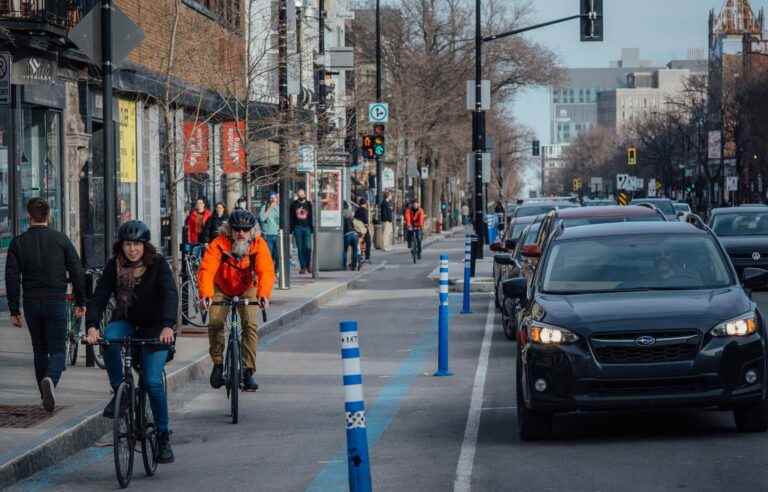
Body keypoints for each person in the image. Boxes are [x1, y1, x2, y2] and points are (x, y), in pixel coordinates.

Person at [84, 220, 177, 463]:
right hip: (126, 321)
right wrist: (92, 326)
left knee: (153, 382)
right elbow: (100, 296)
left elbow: (170, 294)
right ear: (121, 245)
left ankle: (163, 436)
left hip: (156, 329)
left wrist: (168, 324)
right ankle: (121, 392)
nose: (132, 249)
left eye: (137, 244)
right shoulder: (114, 266)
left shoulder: (157, 265)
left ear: (144, 245)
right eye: (128, 244)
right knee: (110, 339)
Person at [5, 198, 86, 412]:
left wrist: (14, 309)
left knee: (39, 349)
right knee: (58, 350)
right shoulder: (61, 240)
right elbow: (77, 270)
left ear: (28, 217)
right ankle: (50, 379)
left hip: (32, 303)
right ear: (48, 216)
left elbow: (12, 278)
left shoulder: (18, 243)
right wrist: (81, 300)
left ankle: (44, 396)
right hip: (56, 300)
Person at [198, 209, 275, 392]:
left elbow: (266, 271)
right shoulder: (219, 243)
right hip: (221, 286)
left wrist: (264, 295)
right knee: (215, 322)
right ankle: (217, 365)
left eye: (245, 229)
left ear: (251, 231)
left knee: (250, 325)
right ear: (230, 230)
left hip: (247, 287)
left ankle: (248, 371)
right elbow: (207, 270)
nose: (241, 233)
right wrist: (206, 295)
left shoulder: (259, 244)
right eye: (237, 229)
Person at [290, 189, 314, 274]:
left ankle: (308, 265)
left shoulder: (308, 204)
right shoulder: (294, 204)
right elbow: (291, 217)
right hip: (298, 227)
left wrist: (312, 228)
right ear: (297, 195)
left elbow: (311, 216)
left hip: (307, 227)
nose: (301, 195)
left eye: (302, 194)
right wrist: (291, 229)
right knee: (300, 248)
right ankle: (303, 267)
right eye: (299, 194)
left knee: (308, 247)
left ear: (305, 194)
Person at [259, 192, 280, 274]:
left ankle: (276, 270)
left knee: (278, 255)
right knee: (269, 254)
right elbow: (262, 218)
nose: (273, 199)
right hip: (268, 234)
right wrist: (270, 208)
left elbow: (280, 220)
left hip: (277, 234)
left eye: (274, 198)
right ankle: (269, 271)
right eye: (271, 198)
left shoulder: (278, 208)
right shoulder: (264, 207)